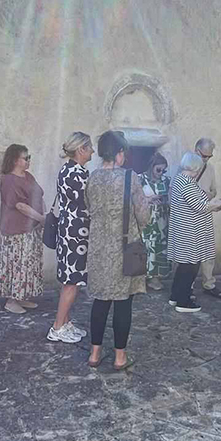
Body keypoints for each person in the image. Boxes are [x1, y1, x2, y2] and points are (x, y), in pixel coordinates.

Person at [85, 131, 151, 370]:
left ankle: (94, 353)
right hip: (125, 249)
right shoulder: (130, 178)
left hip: (98, 250)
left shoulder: (92, 178)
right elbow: (143, 216)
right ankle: (120, 357)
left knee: (100, 302)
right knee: (123, 303)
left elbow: (89, 207)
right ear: (119, 152)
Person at [50, 132, 94, 344]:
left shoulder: (69, 169)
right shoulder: (76, 173)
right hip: (76, 233)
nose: (93, 151)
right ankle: (58, 327)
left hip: (70, 229)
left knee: (70, 279)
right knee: (71, 281)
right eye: (90, 147)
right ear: (81, 149)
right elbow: (89, 201)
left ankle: (65, 322)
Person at [167, 152, 221, 312]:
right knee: (190, 267)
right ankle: (183, 302)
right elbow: (198, 206)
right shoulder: (186, 183)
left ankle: (175, 296)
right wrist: (214, 204)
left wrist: (211, 204)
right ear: (196, 167)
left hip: (186, 230)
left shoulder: (181, 179)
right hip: (190, 232)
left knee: (184, 266)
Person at [0, 143, 45, 314]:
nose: (28, 161)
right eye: (26, 158)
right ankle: (11, 300)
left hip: (31, 229)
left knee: (28, 265)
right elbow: (20, 206)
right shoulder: (9, 180)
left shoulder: (28, 176)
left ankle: (21, 297)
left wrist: (42, 216)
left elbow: (38, 195)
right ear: (15, 160)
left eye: (29, 157)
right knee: (18, 264)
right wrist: (42, 218)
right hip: (17, 231)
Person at [193, 137, 221, 299]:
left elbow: (214, 190)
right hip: (191, 216)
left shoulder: (210, 168)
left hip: (206, 214)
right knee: (190, 253)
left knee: (207, 250)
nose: (206, 159)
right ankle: (187, 285)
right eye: (204, 155)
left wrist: (210, 196)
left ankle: (209, 283)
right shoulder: (186, 167)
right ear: (196, 151)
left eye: (209, 156)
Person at [138, 152, 172, 291]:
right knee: (145, 248)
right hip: (146, 219)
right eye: (158, 170)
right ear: (151, 167)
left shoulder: (166, 180)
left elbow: (171, 198)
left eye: (163, 170)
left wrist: (165, 200)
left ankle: (155, 278)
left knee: (159, 248)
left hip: (162, 220)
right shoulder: (140, 179)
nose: (161, 173)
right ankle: (140, 279)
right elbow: (133, 199)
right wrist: (148, 200)